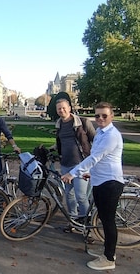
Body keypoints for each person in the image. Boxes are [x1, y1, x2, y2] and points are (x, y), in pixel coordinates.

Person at [61, 102, 124, 271]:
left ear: (112, 116)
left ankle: (109, 258)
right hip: (100, 180)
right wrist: (91, 173)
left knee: (108, 221)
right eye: (97, 116)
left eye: (104, 115)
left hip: (110, 183)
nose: (100, 119)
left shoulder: (111, 135)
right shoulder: (101, 133)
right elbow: (100, 160)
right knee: (104, 219)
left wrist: (72, 173)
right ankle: (108, 252)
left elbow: (93, 158)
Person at [52, 98, 96, 231]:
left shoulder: (82, 122)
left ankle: (86, 225)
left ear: (69, 108)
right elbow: (62, 142)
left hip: (81, 164)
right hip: (65, 164)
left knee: (81, 196)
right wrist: (50, 148)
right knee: (69, 195)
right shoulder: (59, 124)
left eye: (64, 108)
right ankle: (73, 222)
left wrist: (93, 160)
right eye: (59, 108)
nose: (62, 110)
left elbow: (95, 140)